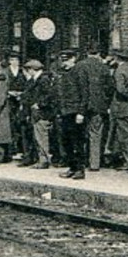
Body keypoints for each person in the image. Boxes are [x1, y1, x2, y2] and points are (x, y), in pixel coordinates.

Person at [74, 46, 113, 171]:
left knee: (80, 134)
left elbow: (78, 87)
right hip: (99, 106)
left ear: (86, 52)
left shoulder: (80, 66)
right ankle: (95, 163)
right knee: (96, 134)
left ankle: (82, 160)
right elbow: (110, 87)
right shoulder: (104, 67)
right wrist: (106, 102)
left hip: (81, 106)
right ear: (99, 53)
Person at [55, 49, 89, 179]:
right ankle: (72, 167)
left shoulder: (79, 72)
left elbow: (84, 94)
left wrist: (81, 112)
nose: (65, 63)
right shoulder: (64, 73)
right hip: (65, 112)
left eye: (67, 60)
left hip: (75, 112)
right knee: (67, 141)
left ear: (73, 59)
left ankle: (80, 169)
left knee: (77, 142)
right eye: (63, 61)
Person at [106, 49, 128, 171]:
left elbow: (120, 89)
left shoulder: (119, 70)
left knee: (124, 136)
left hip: (121, 107)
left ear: (117, 58)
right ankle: (127, 159)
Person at [17, 58, 55, 168]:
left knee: (41, 136)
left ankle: (44, 160)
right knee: (38, 136)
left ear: (32, 69)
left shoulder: (43, 80)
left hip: (42, 113)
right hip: (36, 113)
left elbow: (49, 95)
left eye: (28, 70)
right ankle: (40, 158)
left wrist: (39, 104)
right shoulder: (36, 80)